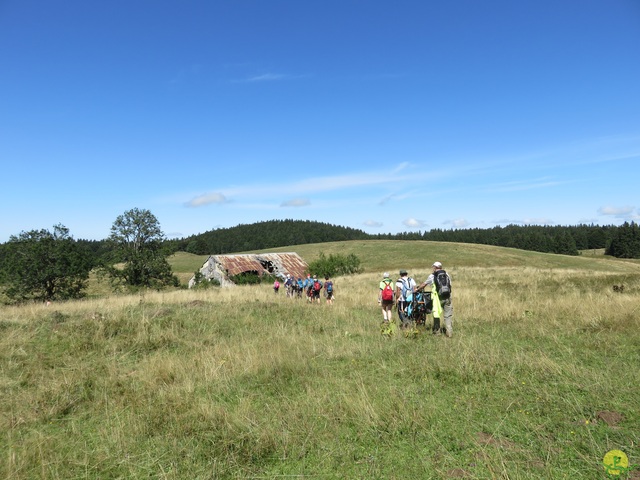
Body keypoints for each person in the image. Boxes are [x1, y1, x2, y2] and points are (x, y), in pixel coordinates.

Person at [415, 261, 453, 337]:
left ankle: (437, 332)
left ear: (435, 267)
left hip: (437, 299)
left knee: (436, 314)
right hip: (447, 297)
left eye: (433, 267)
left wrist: (417, 289)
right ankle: (449, 332)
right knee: (448, 316)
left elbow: (424, 284)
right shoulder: (447, 274)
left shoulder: (432, 276)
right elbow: (450, 286)